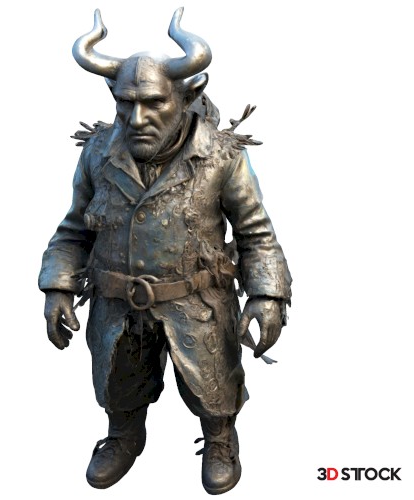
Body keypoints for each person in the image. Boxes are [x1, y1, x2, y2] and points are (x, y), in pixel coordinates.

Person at [39, 8, 291, 495]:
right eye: (126, 103)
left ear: (186, 96)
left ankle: (220, 439)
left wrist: (268, 295)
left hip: (196, 304)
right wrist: (57, 286)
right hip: (118, 304)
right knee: (119, 383)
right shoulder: (98, 153)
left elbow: (256, 233)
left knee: (214, 386)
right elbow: (74, 230)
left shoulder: (220, 156)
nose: (138, 119)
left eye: (153, 103)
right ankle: (123, 436)